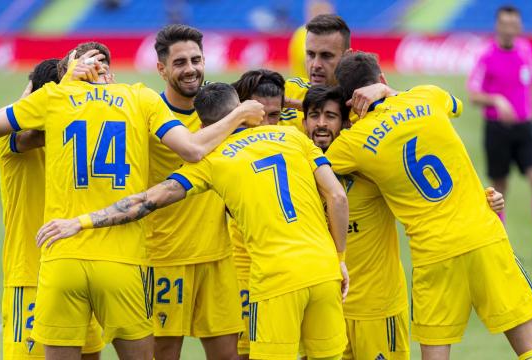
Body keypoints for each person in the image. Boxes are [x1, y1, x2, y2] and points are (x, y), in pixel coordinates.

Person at [0, 42, 264, 360]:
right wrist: (240, 113)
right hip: (122, 260)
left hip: (61, 256)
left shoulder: (56, 99)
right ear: (108, 72)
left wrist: (62, 87)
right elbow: (192, 149)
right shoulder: (139, 97)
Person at [36, 82, 350, 360]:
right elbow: (337, 197)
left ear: (202, 122)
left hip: (276, 279)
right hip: (324, 270)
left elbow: (147, 202)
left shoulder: (212, 161)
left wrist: (83, 222)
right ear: (238, 111)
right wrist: (339, 258)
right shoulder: (291, 137)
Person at [327, 51, 532, 360]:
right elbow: (455, 104)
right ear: (381, 80)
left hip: (434, 255)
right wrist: (390, 93)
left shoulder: (351, 145)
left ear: (349, 100)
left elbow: (314, 161)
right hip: (485, 236)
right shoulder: (427, 95)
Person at [302, 85, 506, 360]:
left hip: (377, 309)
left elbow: (422, 190)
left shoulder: (367, 163)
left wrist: (485, 198)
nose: (322, 123)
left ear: (347, 121)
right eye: (314, 116)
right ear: (303, 121)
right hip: (323, 308)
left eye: (330, 116)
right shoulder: (299, 166)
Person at [0, 59, 105, 360]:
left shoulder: (81, 137)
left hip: (79, 272)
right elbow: (22, 126)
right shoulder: (14, 140)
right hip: (32, 274)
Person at [147, 24, 243, 360]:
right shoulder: (152, 114)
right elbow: (192, 150)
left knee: (228, 356)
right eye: (180, 62)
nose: (191, 69)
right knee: (163, 355)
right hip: (165, 257)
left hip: (217, 255)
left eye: (196, 59)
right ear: (161, 69)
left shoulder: (222, 111)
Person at [467, 5, 532, 264]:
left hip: (525, 128)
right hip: (497, 131)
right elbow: (472, 94)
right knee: (500, 189)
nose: (509, 29)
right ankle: (502, 249)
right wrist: (496, 99)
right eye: (504, 24)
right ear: (497, 26)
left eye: (513, 24)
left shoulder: (525, 50)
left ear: (519, 27)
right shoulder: (486, 56)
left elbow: (531, 88)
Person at [230, 68, 287, 359]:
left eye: (275, 115)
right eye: (258, 114)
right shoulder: (219, 147)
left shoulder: (295, 141)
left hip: (286, 273)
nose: (266, 124)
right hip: (240, 271)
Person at [283, 14, 394, 133]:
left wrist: (389, 92)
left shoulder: (366, 102)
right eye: (310, 54)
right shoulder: (288, 91)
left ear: (346, 56)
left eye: (326, 56)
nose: (315, 65)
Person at [288, 0, 334, 79]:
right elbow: (304, 60)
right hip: (304, 86)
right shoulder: (302, 33)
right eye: (316, 10)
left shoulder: (334, 34)